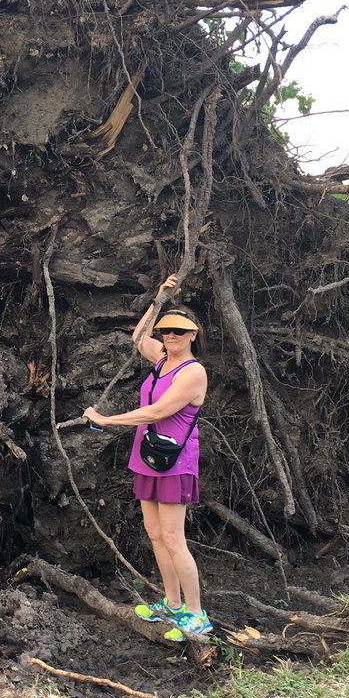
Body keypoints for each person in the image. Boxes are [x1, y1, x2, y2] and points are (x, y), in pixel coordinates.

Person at [83, 274, 212, 641]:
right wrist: (159, 298)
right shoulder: (160, 359)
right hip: (147, 457)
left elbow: (156, 412)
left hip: (175, 462)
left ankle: (196, 614)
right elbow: (139, 337)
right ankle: (172, 603)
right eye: (166, 330)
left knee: (174, 538)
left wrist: (107, 421)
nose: (169, 336)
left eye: (178, 332)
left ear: (192, 336)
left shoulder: (193, 372)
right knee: (155, 534)